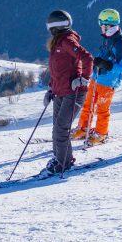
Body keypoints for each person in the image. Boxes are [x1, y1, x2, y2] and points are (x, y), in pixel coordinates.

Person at [43, 10, 94, 174]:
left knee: (61, 129)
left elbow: (88, 58)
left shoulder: (66, 41)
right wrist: (51, 88)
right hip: (60, 92)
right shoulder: (58, 43)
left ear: (54, 27)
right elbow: (58, 70)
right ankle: (60, 159)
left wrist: (84, 78)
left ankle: (64, 163)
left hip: (73, 92)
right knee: (56, 129)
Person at [71, 9, 122, 145]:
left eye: (101, 24)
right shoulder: (109, 37)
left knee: (102, 109)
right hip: (96, 77)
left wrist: (107, 65)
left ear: (108, 25)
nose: (100, 27)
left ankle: (101, 134)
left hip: (108, 82)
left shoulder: (121, 43)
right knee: (88, 104)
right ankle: (83, 128)